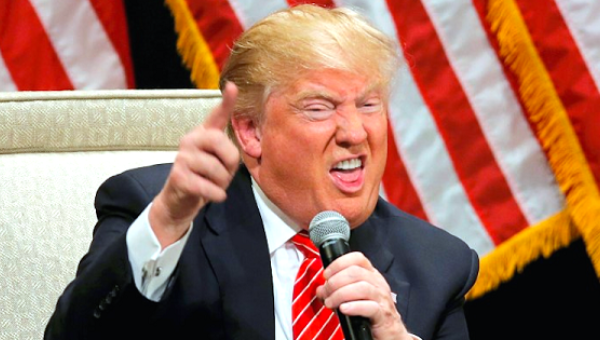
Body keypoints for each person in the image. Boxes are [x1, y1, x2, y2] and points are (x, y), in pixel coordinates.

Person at [45, 4, 478, 340]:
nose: (354, 132)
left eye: (369, 104)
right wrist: (165, 222)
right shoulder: (163, 215)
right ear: (251, 131)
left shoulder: (436, 265)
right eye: (319, 108)